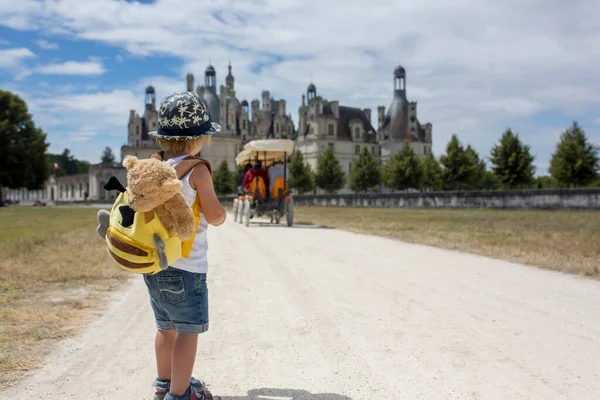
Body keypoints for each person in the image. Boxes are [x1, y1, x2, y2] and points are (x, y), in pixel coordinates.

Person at [146, 92, 226, 400]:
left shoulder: (156, 165)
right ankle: (180, 395)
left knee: (166, 329)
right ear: (201, 138)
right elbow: (215, 215)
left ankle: (164, 383)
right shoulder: (198, 169)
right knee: (188, 332)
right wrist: (223, 213)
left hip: (155, 264)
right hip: (187, 267)